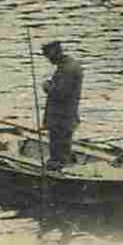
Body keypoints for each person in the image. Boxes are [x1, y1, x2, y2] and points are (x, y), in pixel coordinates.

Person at [40, 40, 83, 169]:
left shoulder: (67, 69)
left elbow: (60, 94)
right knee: (63, 147)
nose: (49, 60)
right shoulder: (69, 66)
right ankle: (65, 164)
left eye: (49, 56)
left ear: (54, 53)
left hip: (61, 119)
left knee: (58, 152)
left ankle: (60, 171)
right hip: (65, 117)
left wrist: (47, 87)